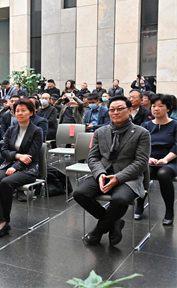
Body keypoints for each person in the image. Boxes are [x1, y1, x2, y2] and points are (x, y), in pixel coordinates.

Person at [73, 96, 150, 246]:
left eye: (120, 109)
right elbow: (93, 158)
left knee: (120, 200)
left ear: (130, 110)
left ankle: (97, 231)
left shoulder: (141, 133)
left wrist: (118, 177)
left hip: (128, 177)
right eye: (112, 109)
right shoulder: (101, 132)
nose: (115, 112)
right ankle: (115, 222)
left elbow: (141, 162)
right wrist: (101, 174)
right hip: (104, 173)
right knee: (79, 193)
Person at [0, 98, 43, 238]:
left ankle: (4, 222)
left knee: (6, 183)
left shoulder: (37, 131)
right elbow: (3, 150)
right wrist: (17, 156)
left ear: (31, 112)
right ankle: (1, 220)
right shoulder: (12, 129)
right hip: (10, 164)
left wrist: (17, 167)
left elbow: (31, 155)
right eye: (17, 111)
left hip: (29, 169)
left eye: (23, 110)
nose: (20, 113)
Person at [135, 94, 176, 225]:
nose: (156, 109)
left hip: (171, 160)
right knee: (143, 172)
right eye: (153, 106)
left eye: (160, 106)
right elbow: (140, 145)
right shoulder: (145, 125)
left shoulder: (175, 125)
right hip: (149, 159)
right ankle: (140, 204)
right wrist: (148, 158)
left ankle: (169, 210)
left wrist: (165, 159)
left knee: (163, 174)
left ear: (168, 108)